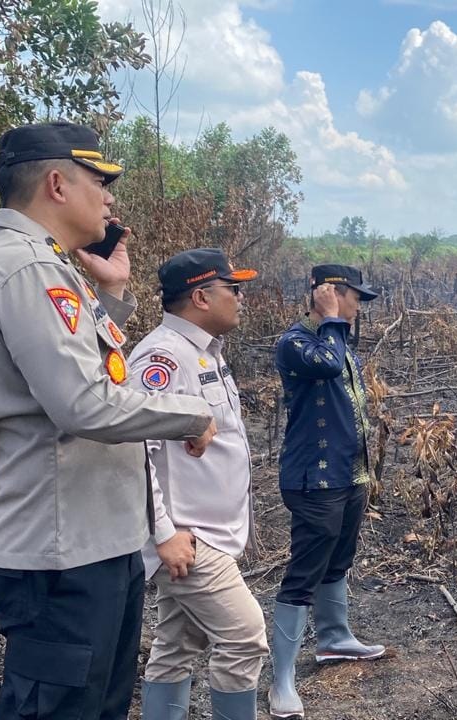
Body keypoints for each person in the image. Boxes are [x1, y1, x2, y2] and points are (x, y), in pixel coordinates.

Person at [0, 122, 218, 720]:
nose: (108, 198)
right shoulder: (25, 270)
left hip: (93, 539)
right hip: (59, 551)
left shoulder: (49, 267)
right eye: (98, 182)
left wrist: (114, 296)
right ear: (56, 183)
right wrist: (190, 414)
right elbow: (84, 403)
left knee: (96, 707)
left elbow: (89, 372)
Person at [130, 249, 267, 720]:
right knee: (246, 639)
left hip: (207, 533)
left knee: (177, 644)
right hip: (190, 537)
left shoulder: (203, 352)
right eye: (234, 289)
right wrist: (163, 533)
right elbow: (133, 452)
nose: (241, 298)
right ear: (202, 296)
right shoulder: (163, 357)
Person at [268, 264, 387, 719]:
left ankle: (334, 639)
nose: (359, 308)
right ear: (331, 295)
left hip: (348, 474)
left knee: (339, 558)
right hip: (313, 479)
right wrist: (332, 318)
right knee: (304, 572)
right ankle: (281, 681)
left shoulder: (336, 338)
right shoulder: (298, 342)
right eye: (354, 297)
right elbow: (328, 364)